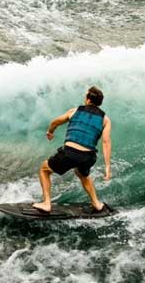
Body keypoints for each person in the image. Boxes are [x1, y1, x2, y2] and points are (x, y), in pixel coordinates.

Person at [32, 86, 112, 214]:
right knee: (82, 174)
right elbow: (106, 142)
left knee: (44, 170)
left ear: (88, 100)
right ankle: (97, 204)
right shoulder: (105, 119)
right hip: (89, 157)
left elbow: (55, 122)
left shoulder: (75, 111)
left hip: (70, 154)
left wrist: (50, 132)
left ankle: (47, 203)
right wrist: (108, 168)